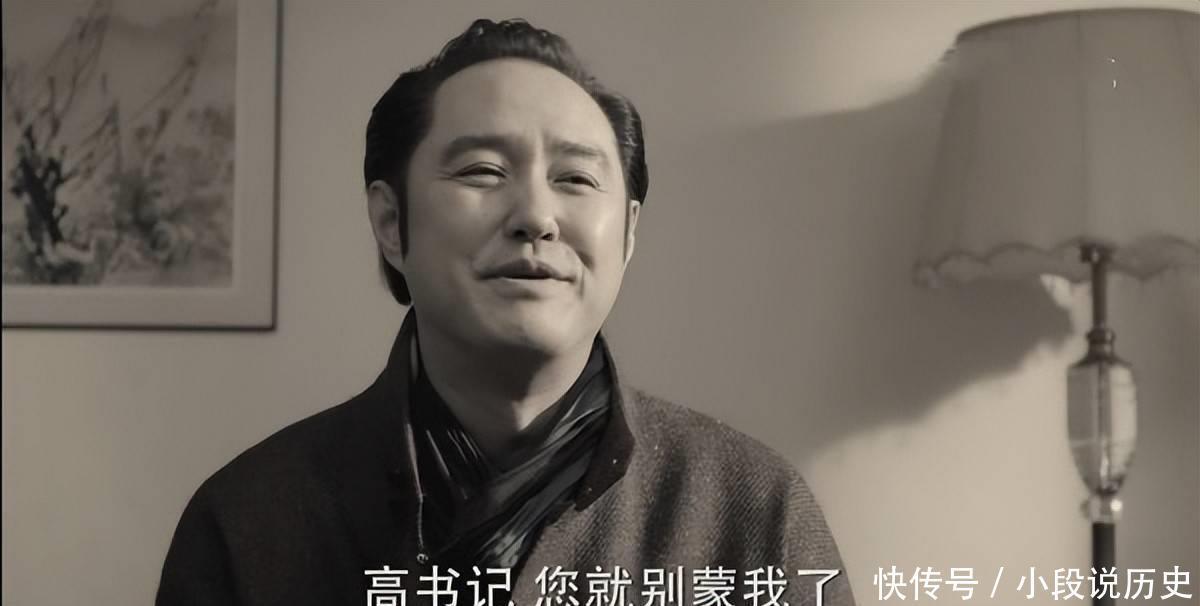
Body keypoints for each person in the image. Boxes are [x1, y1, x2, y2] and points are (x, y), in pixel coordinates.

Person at [156, 18, 854, 606]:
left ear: (628, 234)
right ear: (391, 223)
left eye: (575, 178)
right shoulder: (249, 519)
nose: (536, 217)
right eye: (483, 172)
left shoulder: (754, 511)